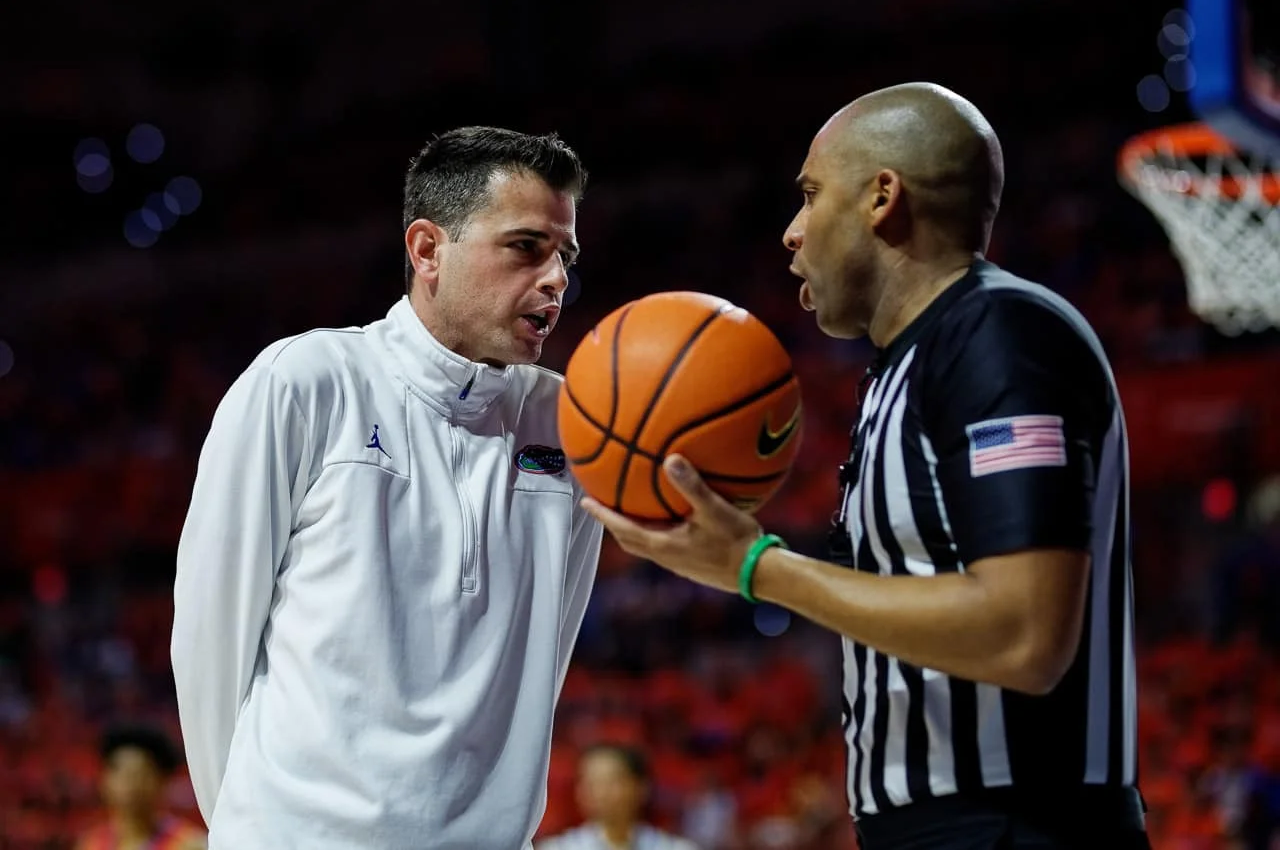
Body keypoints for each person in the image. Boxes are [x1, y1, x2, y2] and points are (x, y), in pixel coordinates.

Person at [582, 82, 1149, 848]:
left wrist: (756, 565)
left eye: (811, 195)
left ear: (883, 197)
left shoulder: (997, 333)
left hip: (1019, 827)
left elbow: (1025, 632)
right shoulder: (901, 367)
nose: (790, 231)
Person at [171, 127, 604, 849]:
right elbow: (211, 633)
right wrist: (255, 823)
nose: (557, 276)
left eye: (565, 254)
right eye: (527, 247)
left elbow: (546, 657)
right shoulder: (306, 381)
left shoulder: (570, 423)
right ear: (428, 249)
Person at [537, 744, 700, 850]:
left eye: (611, 781)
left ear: (641, 788)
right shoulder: (557, 848)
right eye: (590, 782)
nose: (600, 792)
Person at [77, 723, 207, 850]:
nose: (131, 782)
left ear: (162, 781)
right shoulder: (90, 844)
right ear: (104, 781)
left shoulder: (190, 844)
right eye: (121, 772)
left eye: (141, 773)